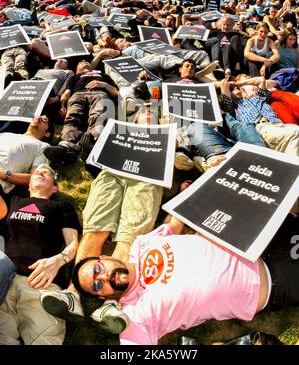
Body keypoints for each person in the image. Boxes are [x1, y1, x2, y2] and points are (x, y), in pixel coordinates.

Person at [70, 213, 299, 345]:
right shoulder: (134, 315)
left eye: (98, 268)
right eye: (97, 284)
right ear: (102, 296)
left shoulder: (141, 245)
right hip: (272, 279)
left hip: (256, 236)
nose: (104, 276)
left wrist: (189, 191)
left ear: (106, 257)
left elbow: (172, 225)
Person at [40, 106, 163, 334]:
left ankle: (111, 304)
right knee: (95, 229)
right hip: (110, 173)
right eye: (142, 114)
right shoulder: (120, 134)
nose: (146, 116)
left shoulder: (163, 140)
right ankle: (72, 294)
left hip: (147, 175)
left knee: (130, 236)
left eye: (151, 116)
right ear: (134, 120)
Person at [0, 164, 80, 345]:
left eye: (46, 173)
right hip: (5, 279)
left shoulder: (61, 206)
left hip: (43, 283)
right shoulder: (13, 200)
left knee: (44, 340)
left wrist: (59, 260)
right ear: (28, 185)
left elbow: (73, 244)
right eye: (35, 172)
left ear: (55, 188)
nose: (40, 173)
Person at [44, 60, 119, 164]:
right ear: (77, 70)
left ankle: (93, 142)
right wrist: (62, 104)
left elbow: (116, 92)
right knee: (72, 116)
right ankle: (66, 146)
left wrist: (103, 85)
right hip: (78, 94)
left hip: (99, 93)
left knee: (99, 116)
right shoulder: (74, 77)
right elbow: (67, 92)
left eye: (85, 61)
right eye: (80, 62)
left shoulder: (103, 75)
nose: (84, 61)